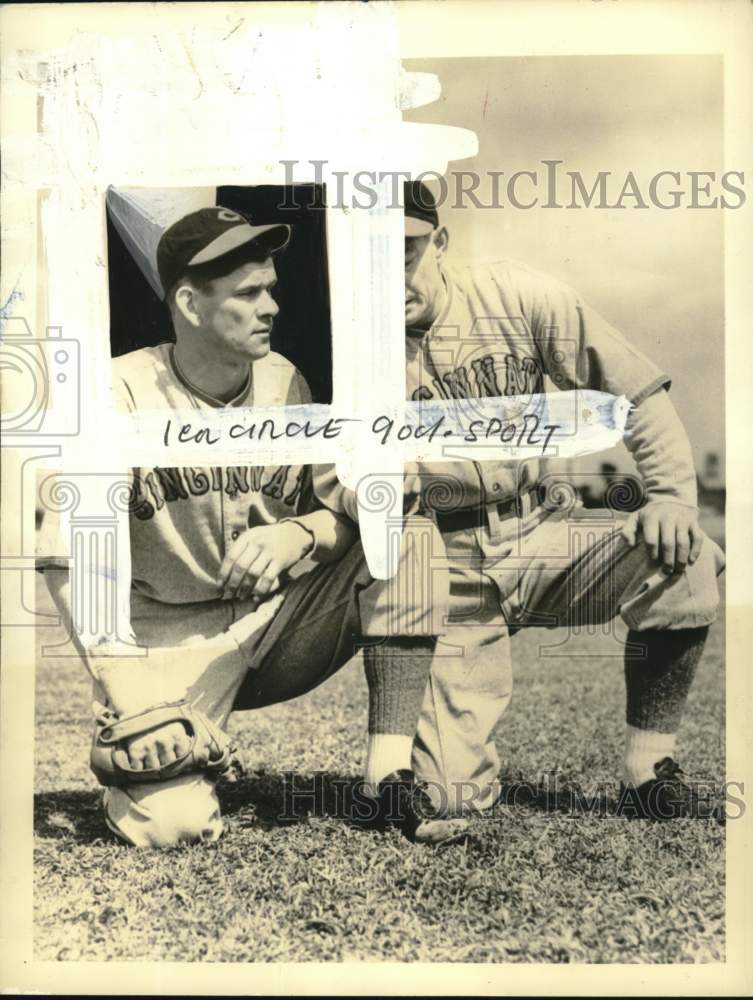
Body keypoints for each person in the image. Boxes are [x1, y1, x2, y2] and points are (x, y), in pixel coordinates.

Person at [37, 205, 465, 847]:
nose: (270, 306)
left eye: (272, 290)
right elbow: (70, 557)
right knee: (174, 828)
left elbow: (351, 512)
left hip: (271, 628)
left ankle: (387, 780)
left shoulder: (285, 381)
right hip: (163, 637)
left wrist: (301, 534)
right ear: (189, 302)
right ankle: (153, 760)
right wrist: (124, 692)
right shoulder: (114, 393)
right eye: (248, 293)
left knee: (404, 536)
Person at [326, 180, 726, 820]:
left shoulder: (518, 294)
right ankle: (409, 768)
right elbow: (325, 473)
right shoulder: (343, 343)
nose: (386, 275)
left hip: (540, 533)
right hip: (443, 566)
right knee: (452, 795)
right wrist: (365, 489)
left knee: (683, 554)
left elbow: (636, 393)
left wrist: (675, 496)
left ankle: (649, 767)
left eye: (402, 251)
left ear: (440, 242)